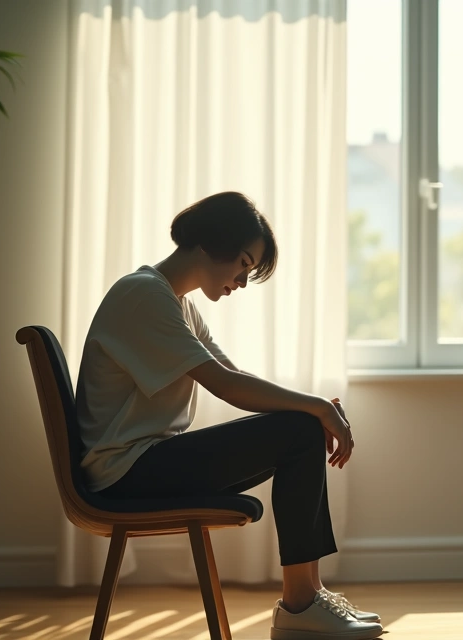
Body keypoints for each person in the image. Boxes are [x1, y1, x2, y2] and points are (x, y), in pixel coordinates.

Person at [74, 192, 382, 640]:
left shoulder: (177, 303)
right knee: (299, 428)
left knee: (301, 426)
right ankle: (300, 606)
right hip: (126, 471)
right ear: (210, 243)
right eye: (243, 262)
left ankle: (309, 595)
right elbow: (227, 387)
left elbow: (234, 375)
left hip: (145, 462)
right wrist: (313, 407)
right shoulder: (143, 295)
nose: (243, 278)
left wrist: (311, 405)